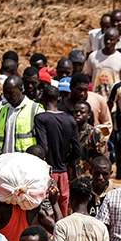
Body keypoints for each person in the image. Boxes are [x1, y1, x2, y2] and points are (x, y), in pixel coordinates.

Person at [34, 85, 80, 216]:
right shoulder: (70, 119)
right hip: (64, 172)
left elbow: (44, 147)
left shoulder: (40, 118)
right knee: (63, 208)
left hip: (47, 172)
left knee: (47, 210)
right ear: (58, 98)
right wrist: (66, 161)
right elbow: (77, 150)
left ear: (43, 98)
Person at [0, 76, 45, 155]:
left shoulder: (35, 110)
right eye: (5, 94)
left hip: (25, 163)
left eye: (11, 93)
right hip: (5, 162)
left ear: (21, 89)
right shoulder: (3, 110)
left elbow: (43, 143)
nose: (8, 97)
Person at [84, 27, 121, 99]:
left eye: (111, 40)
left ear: (117, 40)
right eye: (106, 39)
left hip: (113, 102)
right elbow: (87, 76)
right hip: (95, 99)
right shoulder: (93, 56)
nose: (108, 42)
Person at [72, 100, 109, 178]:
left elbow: (102, 155)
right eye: (76, 112)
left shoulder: (95, 133)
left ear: (88, 115)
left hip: (88, 175)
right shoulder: (68, 131)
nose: (78, 114)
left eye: (82, 112)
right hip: (71, 174)